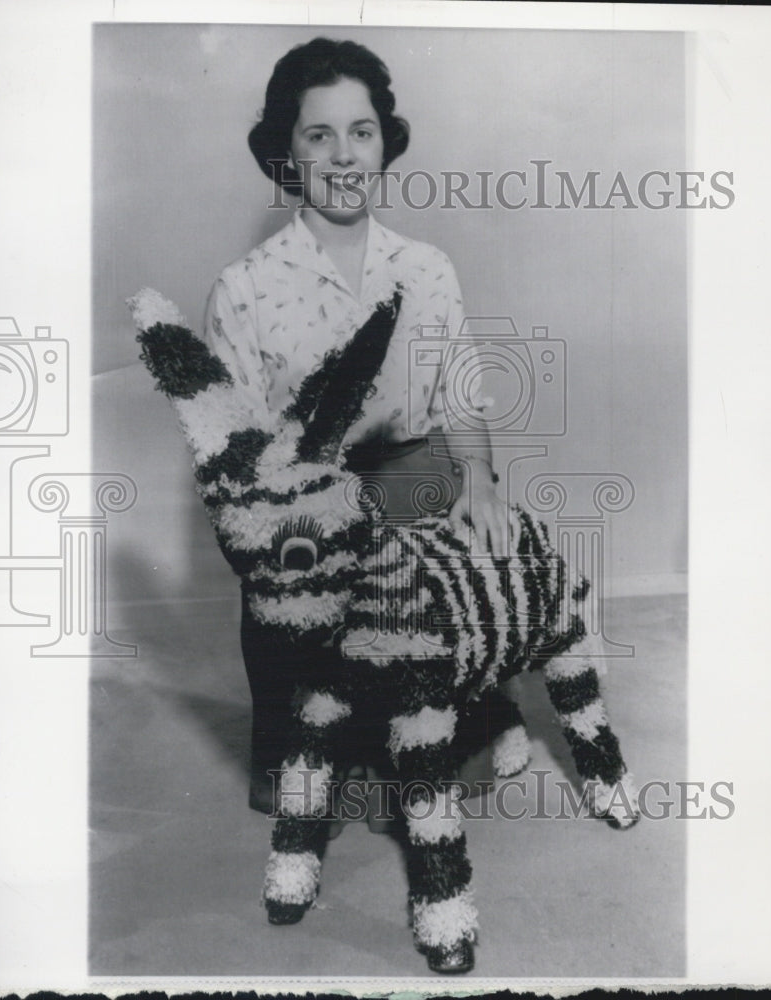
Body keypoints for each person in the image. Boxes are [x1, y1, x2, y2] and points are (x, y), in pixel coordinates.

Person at [203, 37, 521, 818]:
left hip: (410, 489)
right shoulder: (241, 289)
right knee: (297, 791)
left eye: (362, 131)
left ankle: (477, 705)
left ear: (385, 142)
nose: (344, 157)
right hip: (300, 512)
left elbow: (461, 398)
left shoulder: (426, 268)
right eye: (319, 136)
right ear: (286, 154)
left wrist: (479, 483)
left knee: (442, 771)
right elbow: (229, 461)